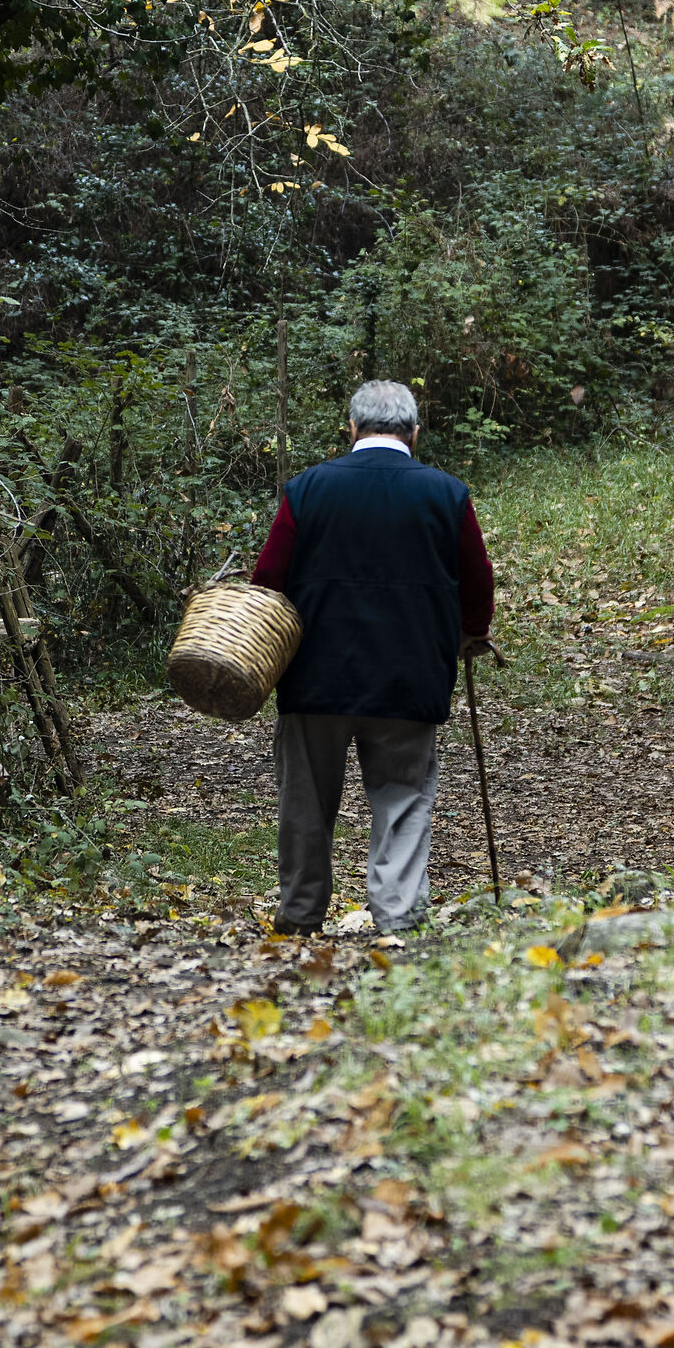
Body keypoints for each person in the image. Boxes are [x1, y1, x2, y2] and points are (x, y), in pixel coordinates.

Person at [248, 380, 497, 936]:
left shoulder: (308, 489)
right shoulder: (447, 493)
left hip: (314, 676)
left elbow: (268, 580)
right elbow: (477, 581)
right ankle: (398, 919)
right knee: (404, 800)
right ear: (414, 432)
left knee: (306, 803)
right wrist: (471, 633)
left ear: (353, 428)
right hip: (410, 677)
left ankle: (299, 914)